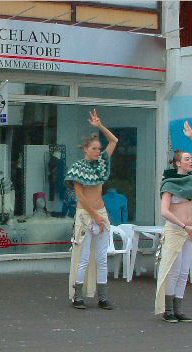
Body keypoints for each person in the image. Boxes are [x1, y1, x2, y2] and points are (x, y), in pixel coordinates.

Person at [65, 108, 118, 310]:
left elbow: (114, 141)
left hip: (100, 213)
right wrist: (95, 215)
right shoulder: (77, 168)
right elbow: (80, 195)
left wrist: (100, 126)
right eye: (95, 148)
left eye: (99, 148)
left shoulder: (102, 163)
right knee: (84, 256)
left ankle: (103, 296)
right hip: (86, 215)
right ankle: (77, 295)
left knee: (102, 257)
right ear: (86, 149)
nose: (98, 151)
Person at [155, 120, 192, 323]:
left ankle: (178, 308)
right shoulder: (169, 183)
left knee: (184, 270)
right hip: (177, 229)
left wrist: (191, 137)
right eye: (186, 159)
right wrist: (184, 225)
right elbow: (164, 211)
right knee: (173, 270)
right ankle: (168, 310)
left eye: (190, 159)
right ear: (177, 163)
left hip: (189, 230)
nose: (190, 161)